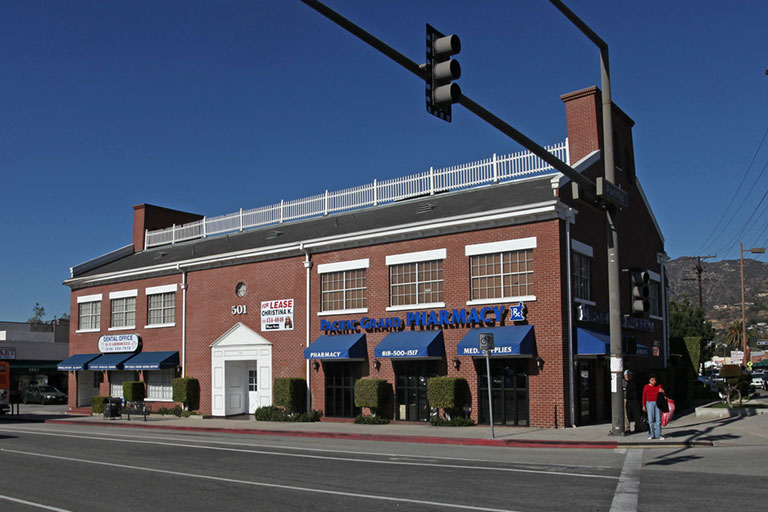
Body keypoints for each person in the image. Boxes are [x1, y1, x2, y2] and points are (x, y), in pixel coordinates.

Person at [642, 374, 666, 440]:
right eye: (652, 380)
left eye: (655, 380)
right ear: (649, 381)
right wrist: (643, 405)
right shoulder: (646, 387)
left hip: (657, 403)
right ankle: (651, 434)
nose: (654, 381)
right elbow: (644, 396)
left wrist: (663, 392)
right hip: (649, 403)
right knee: (650, 420)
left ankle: (659, 434)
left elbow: (663, 394)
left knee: (658, 420)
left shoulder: (659, 386)